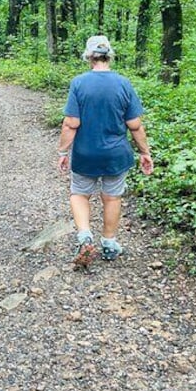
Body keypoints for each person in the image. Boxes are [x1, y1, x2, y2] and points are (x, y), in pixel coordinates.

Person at [57, 35, 154, 269]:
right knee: (112, 197)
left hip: (85, 153)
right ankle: (109, 244)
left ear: (89, 56)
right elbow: (135, 125)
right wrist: (145, 152)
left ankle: (84, 237)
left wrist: (62, 151)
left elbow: (71, 123)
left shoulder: (79, 83)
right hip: (116, 155)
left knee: (80, 193)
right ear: (109, 55)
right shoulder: (123, 83)